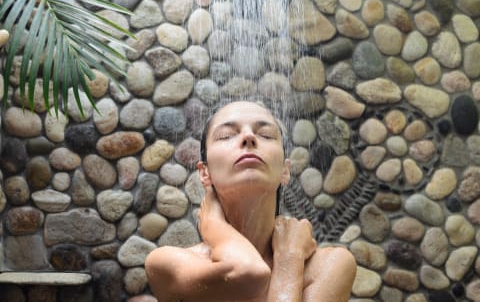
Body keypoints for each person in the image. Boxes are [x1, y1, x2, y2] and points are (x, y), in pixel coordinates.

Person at [145, 101, 357, 302]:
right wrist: (289, 261)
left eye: (265, 135)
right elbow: (247, 272)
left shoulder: (330, 265)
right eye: (226, 136)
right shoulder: (169, 264)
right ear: (205, 173)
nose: (248, 137)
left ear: (285, 170)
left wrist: (289, 258)